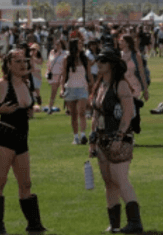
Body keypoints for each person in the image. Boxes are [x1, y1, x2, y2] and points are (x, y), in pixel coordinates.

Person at [0, 49, 46, 234]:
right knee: (0, 181)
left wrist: (32, 110)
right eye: (18, 61)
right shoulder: (0, 85)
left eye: (25, 61)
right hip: (4, 137)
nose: (23, 64)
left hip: (22, 138)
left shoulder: (27, 83)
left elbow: (27, 107)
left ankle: (34, 226)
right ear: (8, 65)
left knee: (26, 183)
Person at [89, 48, 144, 233]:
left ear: (112, 64)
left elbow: (128, 113)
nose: (99, 64)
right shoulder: (100, 84)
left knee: (120, 179)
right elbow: (96, 114)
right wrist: (92, 138)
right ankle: (114, 224)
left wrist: (119, 137)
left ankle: (135, 222)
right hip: (102, 138)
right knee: (108, 182)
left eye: (103, 61)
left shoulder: (120, 85)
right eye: (98, 60)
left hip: (119, 138)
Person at [59, 39, 92, 145]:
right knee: (73, 114)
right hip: (70, 88)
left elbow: (89, 75)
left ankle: (83, 135)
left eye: (81, 43)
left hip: (82, 88)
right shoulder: (67, 59)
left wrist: (93, 87)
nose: (81, 45)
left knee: (82, 112)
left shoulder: (85, 59)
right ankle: (76, 137)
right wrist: (62, 89)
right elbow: (64, 75)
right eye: (79, 44)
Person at [44, 39, 66, 114]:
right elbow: (49, 63)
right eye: (56, 44)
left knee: (57, 91)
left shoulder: (64, 53)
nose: (56, 45)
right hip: (52, 74)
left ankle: (51, 107)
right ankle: (50, 107)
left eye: (58, 44)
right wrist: (48, 72)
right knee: (54, 91)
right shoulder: (52, 52)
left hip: (60, 74)